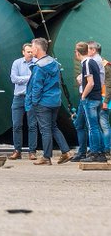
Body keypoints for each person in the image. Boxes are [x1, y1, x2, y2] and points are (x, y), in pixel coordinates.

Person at [25, 37, 73, 165]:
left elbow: (36, 87)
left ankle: (46, 157)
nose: (32, 50)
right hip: (55, 100)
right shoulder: (54, 63)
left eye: (33, 47)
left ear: (37, 48)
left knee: (45, 129)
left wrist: (34, 102)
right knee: (53, 127)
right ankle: (66, 151)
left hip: (43, 102)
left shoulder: (39, 66)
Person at [77, 40, 106, 163]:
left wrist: (83, 96)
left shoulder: (87, 63)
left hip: (91, 99)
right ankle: (100, 152)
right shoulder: (93, 61)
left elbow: (91, 82)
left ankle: (95, 152)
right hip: (97, 98)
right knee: (96, 127)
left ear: (78, 53)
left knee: (92, 127)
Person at [9, 41, 35, 158]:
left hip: (31, 97)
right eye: (28, 52)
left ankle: (32, 151)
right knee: (16, 125)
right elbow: (14, 79)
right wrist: (29, 78)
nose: (30, 54)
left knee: (32, 125)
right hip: (18, 97)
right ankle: (17, 151)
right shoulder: (17, 63)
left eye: (32, 52)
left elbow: (37, 80)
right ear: (23, 52)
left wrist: (23, 79)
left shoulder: (37, 64)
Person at [87, 41, 111, 156]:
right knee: (98, 125)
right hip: (98, 97)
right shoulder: (94, 63)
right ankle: (101, 148)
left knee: (104, 124)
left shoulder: (104, 64)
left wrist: (106, 101)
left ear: (94, 50)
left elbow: (109, 84)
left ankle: (107, 148)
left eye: (88, 49)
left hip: (103, 98)